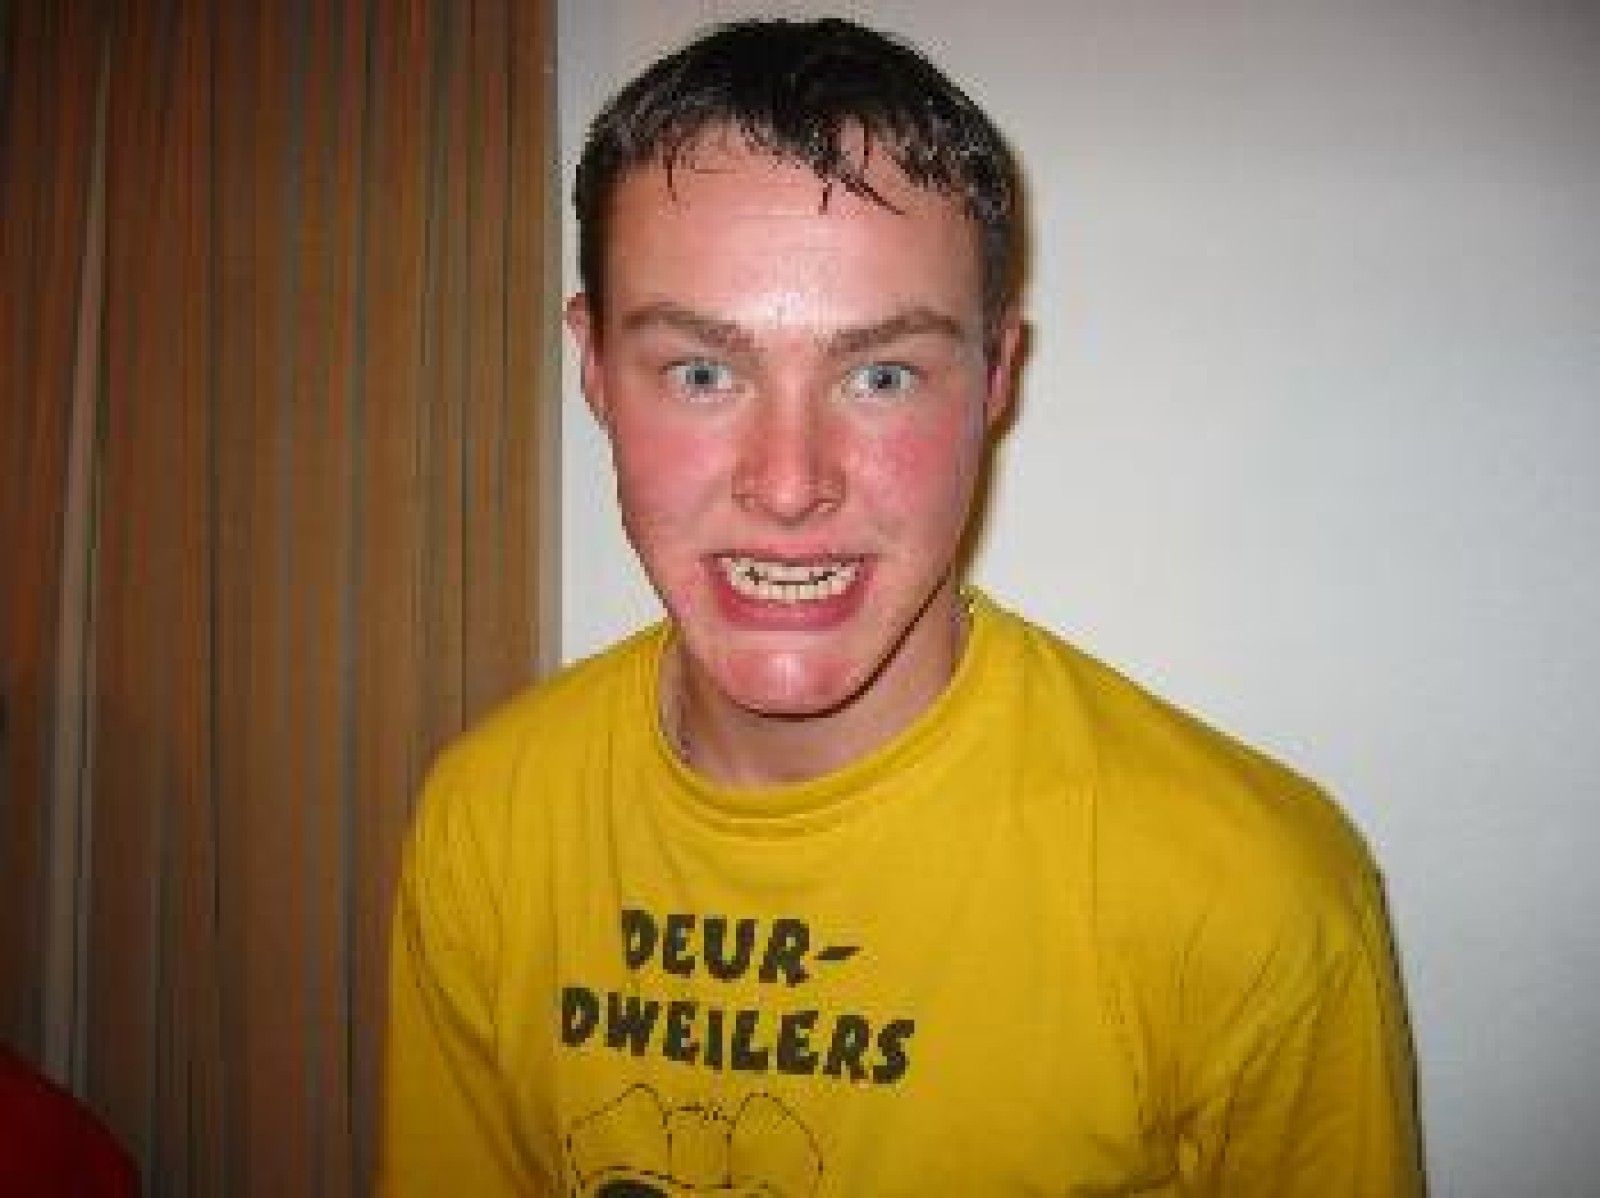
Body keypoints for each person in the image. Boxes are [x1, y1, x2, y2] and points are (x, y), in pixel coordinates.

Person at [378, 17, 1422, 1196]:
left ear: (995, 377)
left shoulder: (1249, 897)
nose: (788, 485)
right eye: (702, 372)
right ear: (594, 368)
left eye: (880, 375)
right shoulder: (488, 822)